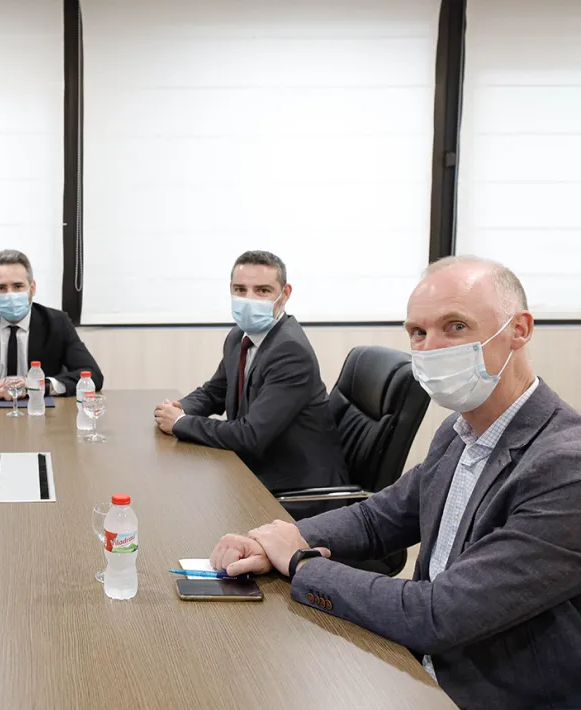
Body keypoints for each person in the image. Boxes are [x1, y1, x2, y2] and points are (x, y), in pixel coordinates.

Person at [210, 256, 581, 709]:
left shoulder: (566, 467)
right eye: (418, 333)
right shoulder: (459, 431)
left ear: (519, 329)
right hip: (418, 664)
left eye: (456, 327)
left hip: (487, 690)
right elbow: (377, 519)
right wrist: (278, 541)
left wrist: (301, 563)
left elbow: (437, 614)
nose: (430, 348)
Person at [153, 250, 347, 517]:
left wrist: (180, 422)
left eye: (263, 290)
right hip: (255, 472)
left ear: (285, 293)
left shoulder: (290, 351)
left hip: (296, 491)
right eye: (240, 289)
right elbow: (214, 392)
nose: (249, 300)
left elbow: (250, 436)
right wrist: (179, 407)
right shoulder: (239, 336)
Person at [0, 249, 104, 399]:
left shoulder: (57, 323)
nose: (10, 294)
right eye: (1, 288)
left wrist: (42, 386)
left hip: (42, 413)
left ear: (32, 287)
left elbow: (92, 374)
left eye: (18, 286)